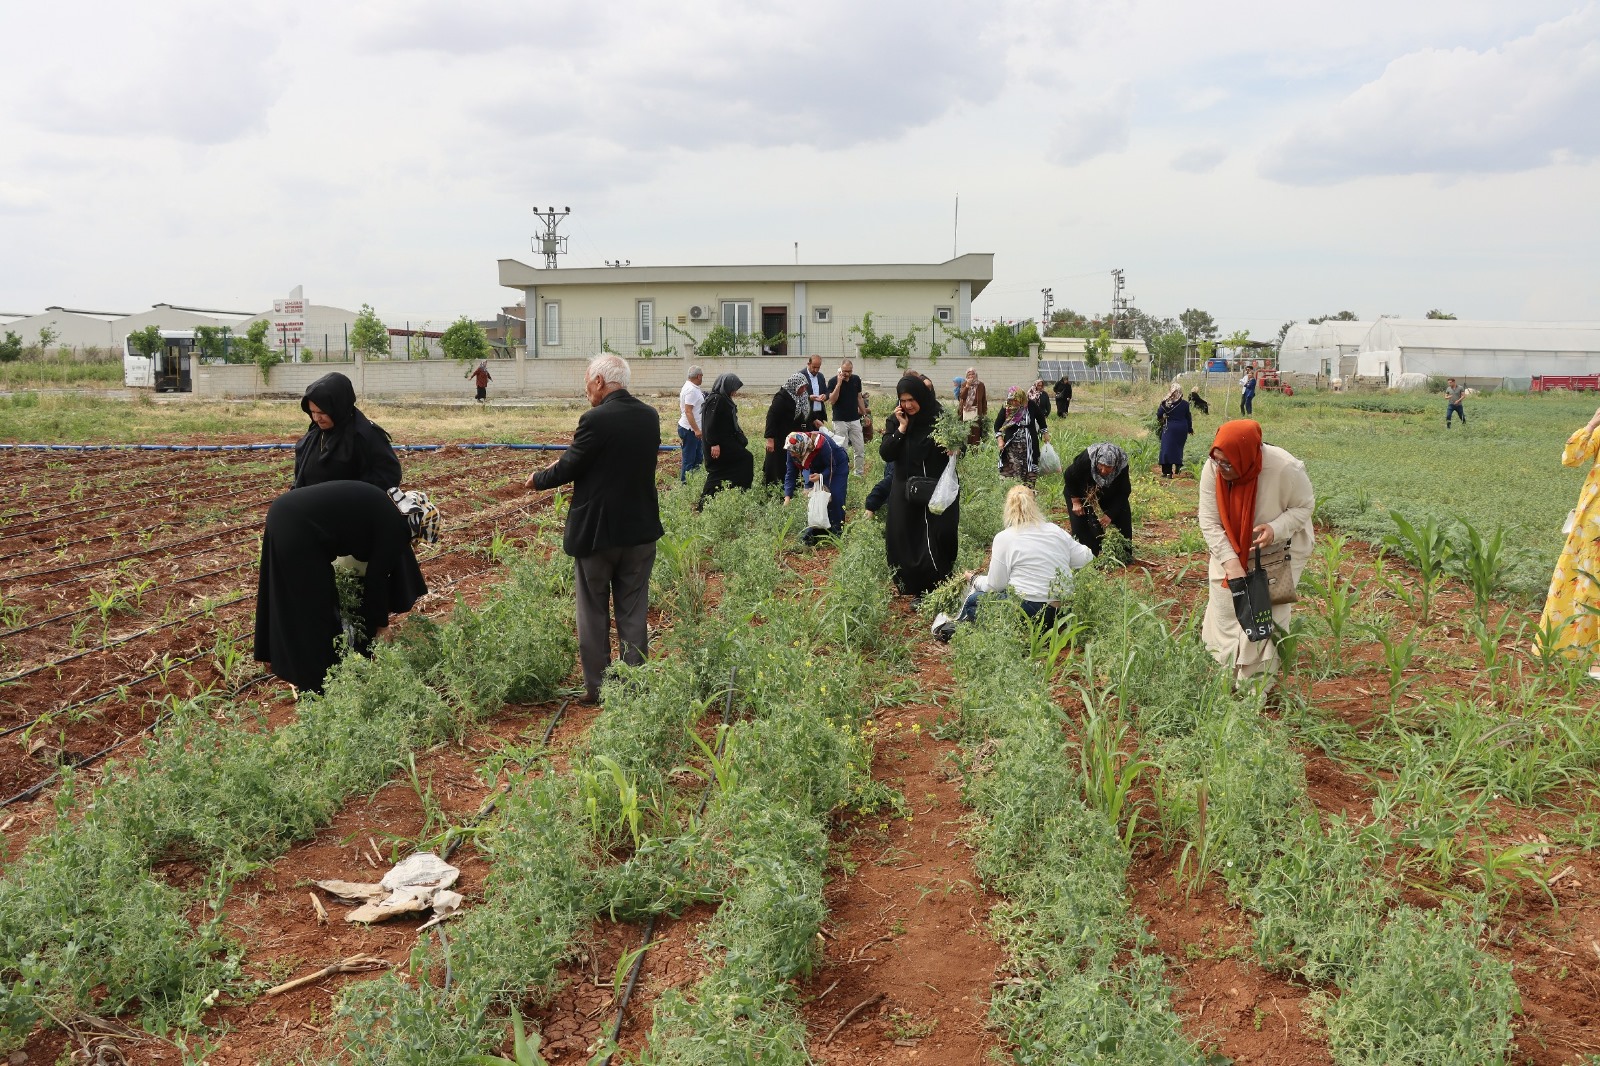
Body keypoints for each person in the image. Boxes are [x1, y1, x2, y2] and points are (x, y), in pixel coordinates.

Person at [526, 354, 664, 705]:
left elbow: (571, 465)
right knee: (633, 611)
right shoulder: (649, 416)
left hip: (597, 534)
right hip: (639, 530)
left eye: (587, 381)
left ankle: (599, 689)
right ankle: (634, 686)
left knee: (592, 611)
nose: (586, 388)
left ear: (600, 381)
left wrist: (538, 479)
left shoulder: (595, 419)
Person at [253, 480, 427, 693]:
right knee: (316, 607)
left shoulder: (387, 505)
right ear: (416, 525)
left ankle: (308, 674)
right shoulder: (396, 527)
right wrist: (381, 626)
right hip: (299, 528)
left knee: (295, 597)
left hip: (284, 512)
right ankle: (318, 687)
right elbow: (376, 580)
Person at [1198, 419, 1314, 681]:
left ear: (1245, 456)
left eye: (1228, 463)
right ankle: (1225, 672)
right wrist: (1230, 562)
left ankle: (1257, 683)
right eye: (1217, 460)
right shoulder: (1214, 467)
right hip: (1230, 548)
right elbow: (1209, 520)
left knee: (1264, 612)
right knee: (1228, 605)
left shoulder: (1285, 468)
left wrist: (1275, 528)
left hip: (1278, 551)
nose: (1221, 468)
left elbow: (1305, 506)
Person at [931, 485, 1094, 639]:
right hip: (1061, 612)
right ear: (1034, 505)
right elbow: (1087, 557)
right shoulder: (1055, 530)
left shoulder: (1005, 537)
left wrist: (974, 579)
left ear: (1008, 508)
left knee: (973, 602)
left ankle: (1014, 632)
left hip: (1031, 611)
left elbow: (995, 585)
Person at [881, 374, 959, 598]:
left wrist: (955, 447)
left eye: (911, 400)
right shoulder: (896, 420)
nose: (907, 405)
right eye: (903, 400)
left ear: (921, 397)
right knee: (907, 537)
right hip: (905, 489)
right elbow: (886, 453)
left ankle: (941, 580)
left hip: (937, 488)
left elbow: (959, 443)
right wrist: (902, 429)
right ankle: (918, 589)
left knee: (942, 533)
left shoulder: (940, 417)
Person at [1538, 404, 1600, 677]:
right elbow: (1571, 458)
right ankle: (1592, 656)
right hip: (1595, 522)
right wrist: (1592, 424)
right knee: (1590, 583)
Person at [292, 372, 402, 490]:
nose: (316, 418)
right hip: (312, 500)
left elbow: (388, 477)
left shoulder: (365, 435)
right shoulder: (314, 435)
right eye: (312, 412)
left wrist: (351, 495)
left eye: (322, 412)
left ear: (338, 407)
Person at [1063, 443, 1133, 562]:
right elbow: (1069, 476)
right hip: (1081, 491)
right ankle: (1087, 558)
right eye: (1101, 465)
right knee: (1083, 525)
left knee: (1122, 519)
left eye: (1108, 467)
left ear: (1115, 465)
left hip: (1110, 493)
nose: (1104, 470)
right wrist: (1076, 501)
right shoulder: (1086, 459)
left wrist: (1110, 514)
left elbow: (1123, 492)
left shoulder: (1122, 465)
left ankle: (1122, 557)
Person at [783, 430, 850, 542]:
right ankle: (816, 532)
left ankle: (837, 532)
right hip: (814, 467)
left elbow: (831, 466)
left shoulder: (822, 443)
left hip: (837, 465)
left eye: (793, 452)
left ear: (802, 447)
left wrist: (821, 476)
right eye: (790, 451)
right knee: (813, 498)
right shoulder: (793, 449)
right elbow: (790, 473)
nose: (792, 454)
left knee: (835, 495)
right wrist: (787, 497)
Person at [699, 373, 754, 502]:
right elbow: (709, 424)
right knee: (720, 471)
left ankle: (738, 494)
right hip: (718, 446)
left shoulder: (721, 398)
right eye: (733, 388)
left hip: (725, 443)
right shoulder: (717, 400)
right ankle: (706, 501)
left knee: (741, 462)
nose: (735, 392)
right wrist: (714, 444)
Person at [764, 372, 811, 487]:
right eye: (801, 387)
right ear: (794, 385)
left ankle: (792, 487)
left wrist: (814, 420)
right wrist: (770, 439)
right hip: (780, 437)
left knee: (795, 463)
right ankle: (775, 489)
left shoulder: (802, 396)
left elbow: (804, 413)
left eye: (805, 387)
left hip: (794, 437)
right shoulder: (782, 398)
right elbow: (771, 417)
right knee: (778, 464)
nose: (804, 390)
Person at [825, 358, 867, 476]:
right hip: (840, 420)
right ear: (840, 369)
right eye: (844, 371)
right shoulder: (833, 381)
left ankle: (859, 473)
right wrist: (839, 384)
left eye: (849, 371)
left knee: (859, 448)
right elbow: (832, 400)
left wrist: (864, 414)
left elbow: (859, 398)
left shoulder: (856, 379)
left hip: (854, 419)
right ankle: (842, 473)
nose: (847, 374)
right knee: (842, 449)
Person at [994, 385, 1043, 485]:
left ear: (1021, 398)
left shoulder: (1031, 405)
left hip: (1029, 445)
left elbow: (1041, 418)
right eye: (1011, 400)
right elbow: (997, 425)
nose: (1013, 403)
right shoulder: (1007, 407)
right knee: (1013, 470)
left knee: (1029, 471)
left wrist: (1045, 433)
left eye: (1015, 400)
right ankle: (1013, 490)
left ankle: (1028, 490)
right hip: (1012, 446)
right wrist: (1000, 439)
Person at [1156, 383, 1194, 478]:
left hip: (1170, 428)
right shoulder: (1185, 404)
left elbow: (1159, 414)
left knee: (1166, 448)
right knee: (1178, 448)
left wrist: (1163, 419)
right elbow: (1188, 417)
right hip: (1182, 429)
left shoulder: (1166, 403)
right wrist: (1190, 429)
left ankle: (1167, 472)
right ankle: (1178, 466)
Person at [677, 365, 706, 482]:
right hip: (690, 430)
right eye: (702, 376)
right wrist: (696, 430)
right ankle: (685, 484)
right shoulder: (691, 390)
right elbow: (688, 411)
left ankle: (694, 482)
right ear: (698, 376)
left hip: (693, 430)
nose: (702, 378)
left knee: (698, 458)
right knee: (689, 459)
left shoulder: (692, 387)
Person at [958, 367, 988, 446]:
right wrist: (967, 386)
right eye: (969, 374)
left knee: (976, 433)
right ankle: (966, 449)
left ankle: (975, 450)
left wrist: (984, 412)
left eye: (973, 374)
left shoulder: (980, 385)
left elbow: (984, 399)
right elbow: (962, 396)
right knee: (967, 431)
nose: (971, 376)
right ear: (967, 376)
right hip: (966, 412)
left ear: (976, 375)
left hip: (977, 412)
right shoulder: (964, 384)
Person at [801, 354, 828, 429]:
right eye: (814, 367)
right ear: (808, 364)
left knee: (819, 436)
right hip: (806, 416)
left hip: (819, 415)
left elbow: (826, 391)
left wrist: (825, 396)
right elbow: (796, 395)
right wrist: (809, 397)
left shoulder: (820, 376)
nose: (816, 370)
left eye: (818, 367)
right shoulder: (800, 376)